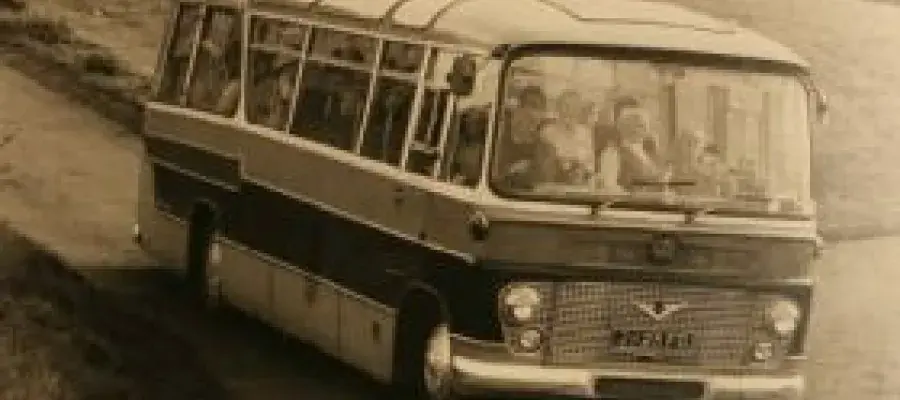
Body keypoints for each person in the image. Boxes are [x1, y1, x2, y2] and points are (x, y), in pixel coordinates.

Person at [537, 90, 596, 185]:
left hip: (580, 184)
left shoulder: (585, 133)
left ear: (579, 111)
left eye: (574, 107)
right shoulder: (547, 132)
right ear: (558, 108)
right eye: (566, 106)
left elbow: (590, 165)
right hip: (553, 184)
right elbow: (544, 166)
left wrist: (583, 171)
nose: (569, 111)